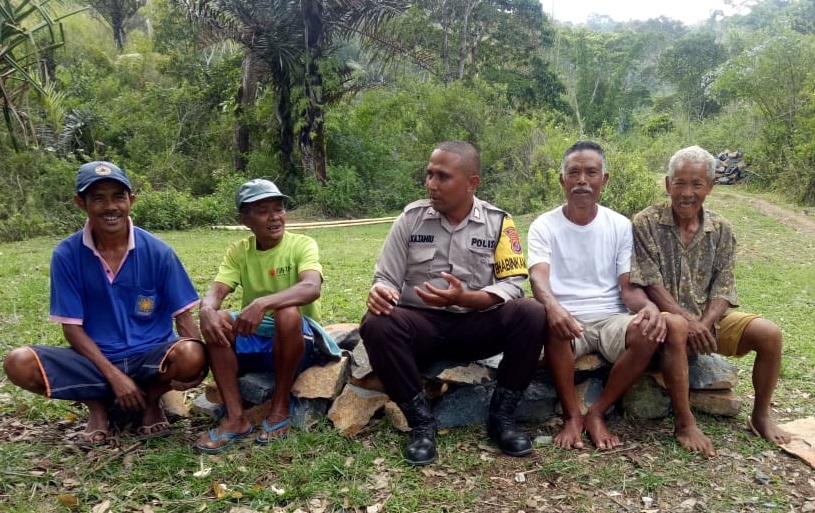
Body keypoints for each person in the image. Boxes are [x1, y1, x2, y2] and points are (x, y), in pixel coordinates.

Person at [359, 140, 548, 466]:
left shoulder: (499, 223)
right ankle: (421, 423)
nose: (431, 184)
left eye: (442, 177)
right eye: (429, 174)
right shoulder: (411, 219)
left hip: (476, 324)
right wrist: (380, 291)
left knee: (531, 313)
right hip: (422, 325)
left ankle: (501, 419)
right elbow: (385, 278)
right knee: (376, 323)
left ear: (471, 182)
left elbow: (513, 285)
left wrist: (468, 298)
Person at [528, 140, 715, 457]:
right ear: (562, 179)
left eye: (591, 172)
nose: (582, 181)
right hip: (570, 316)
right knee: (553, 324)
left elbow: (628, 288)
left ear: (605, 179)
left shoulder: (619, 225)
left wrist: (650, 309)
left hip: (612, 316)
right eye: (574, 173)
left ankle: (597, 412)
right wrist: (555, 307)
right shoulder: (544, 225)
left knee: (648, 329)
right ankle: (573, 416)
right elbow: (538, 276)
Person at [3, 161, 207, 446]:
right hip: (95, 360)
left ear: (131, 201)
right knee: (19, 363)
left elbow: (183, 317)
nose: (110, 206)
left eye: (118, 196)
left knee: (190, 354)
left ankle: (150, 401)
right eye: (98, 197)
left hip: (149, 356)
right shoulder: (66, 254)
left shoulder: (159, 252)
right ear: (81, 203)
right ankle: (97, 407)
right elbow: (72, 329)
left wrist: (200, 364)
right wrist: (114, 376)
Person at [630, 145, 791, 446]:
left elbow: (724, 287)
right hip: (665, 321)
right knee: (676, 327)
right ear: (668, 184)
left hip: (708, 322)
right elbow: (650, 283)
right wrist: (688, 321)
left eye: (697, 184)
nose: (686, 192)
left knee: (769, 334)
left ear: (711, 186)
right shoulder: (646, 222)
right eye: (679, 183)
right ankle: (685, 423)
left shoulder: (722, 230)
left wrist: (703, 323)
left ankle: (761, 416)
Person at [195, 179, 339, 453]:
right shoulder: (240, 251)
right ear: (245, 219)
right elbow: (217, 290)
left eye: (279, 208)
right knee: (217, 320)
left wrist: (262, 304)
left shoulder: (301, 244)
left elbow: (311, 287)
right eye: (263, 211)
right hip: (259, 337)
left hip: (298, 339)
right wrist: (206, 309)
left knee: (286, 312)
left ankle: (280, 405)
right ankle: (236, 418)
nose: (275, 217)